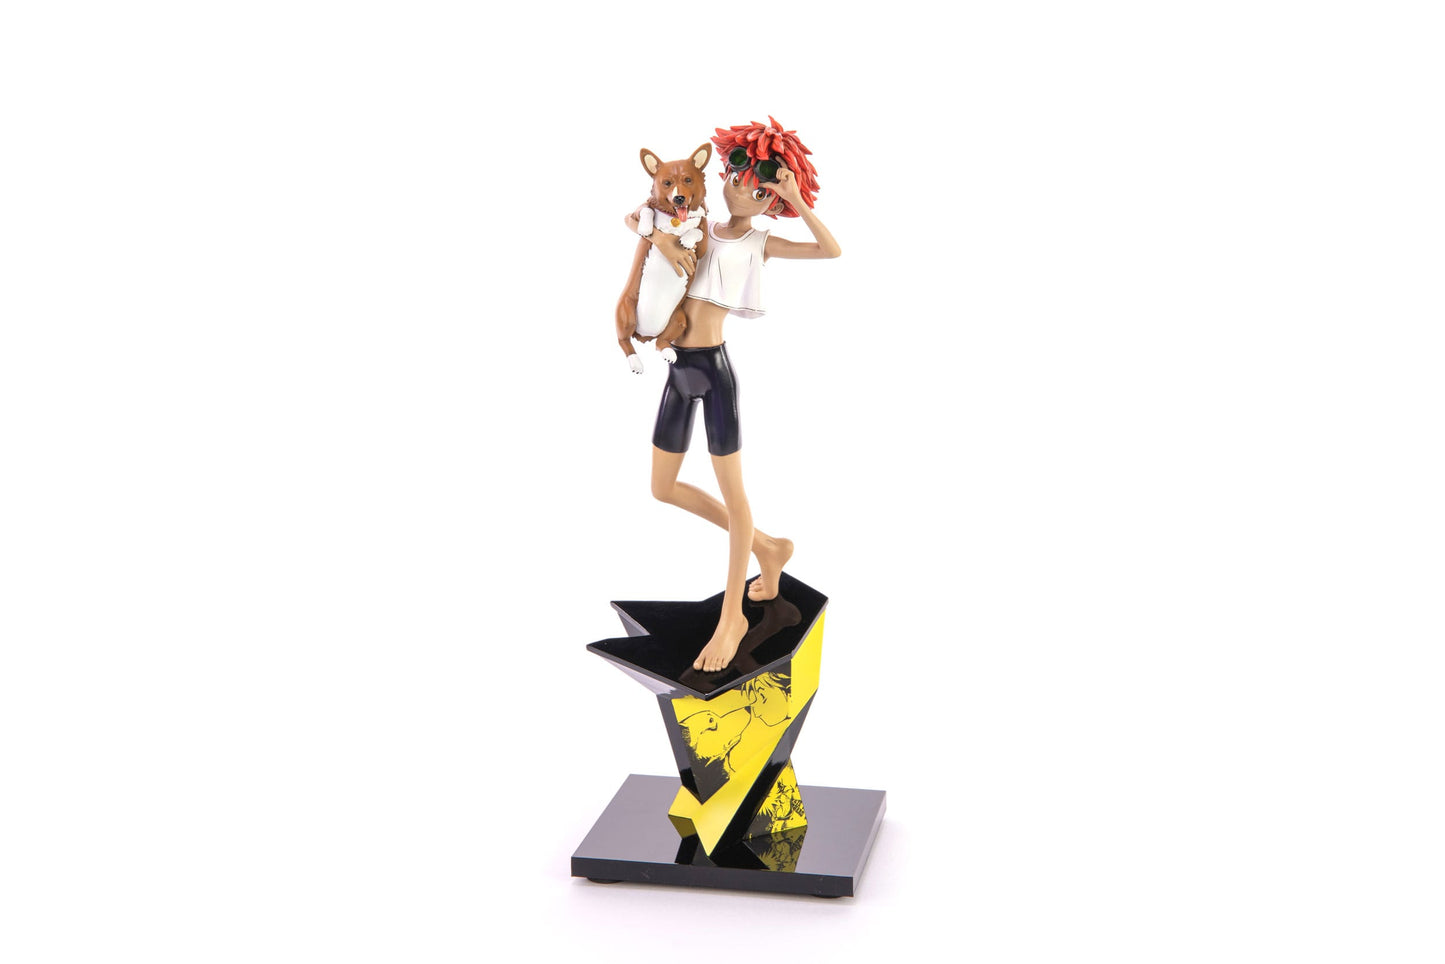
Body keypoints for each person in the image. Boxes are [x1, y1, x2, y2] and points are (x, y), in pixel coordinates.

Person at [625, 118, 841, 673]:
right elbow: (636, 217)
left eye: (761, 189)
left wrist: (796, 197)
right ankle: (769, 549)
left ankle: (732, 617)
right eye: (738, 176)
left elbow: (830, 250)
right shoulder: (695, 222)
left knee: (736, 495)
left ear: (772, 203)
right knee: (662, 487)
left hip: (715, 373)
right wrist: (657, 236)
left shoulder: (758, 241)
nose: (744, 188)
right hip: (678, 368)